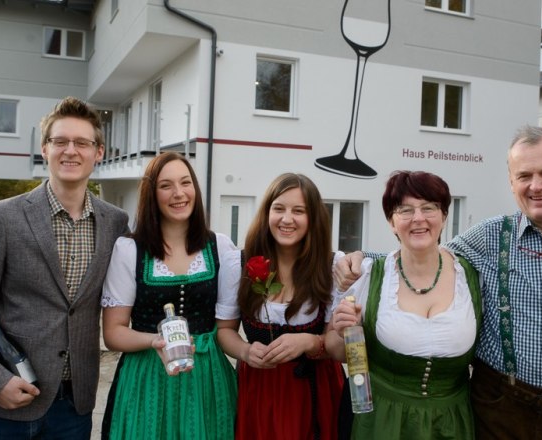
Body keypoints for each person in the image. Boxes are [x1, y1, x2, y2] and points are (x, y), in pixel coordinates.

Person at [337, 126, 542, 439]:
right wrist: (359, 259)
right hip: (498, 411)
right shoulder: (490, 236)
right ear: (512, 182)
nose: (535, 185)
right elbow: (423, 257)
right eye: (524, 176)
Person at [0, 96, 129, 439]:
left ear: (99, 153)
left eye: (82, 142)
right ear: (44, 149)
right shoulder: (1, 217)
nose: (71, 150)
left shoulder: (115, 223)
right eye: (60, 141)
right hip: (5, 402)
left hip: (72, 407)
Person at [326, 170, 482, 439]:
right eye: (405, 210)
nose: (418, 218)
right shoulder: (368, 275)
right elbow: (335, 350)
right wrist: (341, 331)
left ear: (444, 216)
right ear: (391, 221)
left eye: (429, 208)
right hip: (381, 420)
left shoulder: (471, 275)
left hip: (451, 422)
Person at [100, 152, 237, 439]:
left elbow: (227, 329)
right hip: (146, 377)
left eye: (185, 183)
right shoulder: (129, 250)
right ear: (151, 194)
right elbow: (113, 332)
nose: (179, 193)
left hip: (206, 380)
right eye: (166, 186)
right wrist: (153, 341)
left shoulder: (221, 247)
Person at [216, 173, 346, 440]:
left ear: (313, 219)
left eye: (299, 211)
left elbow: (337, 343)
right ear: (267, 213)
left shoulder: (332, 266)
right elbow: (224, 331)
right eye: (279, 209)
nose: (287, 219)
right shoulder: (238, 262)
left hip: (316, 389)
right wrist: (245, 350)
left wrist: (310, 342)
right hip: (260, 389)